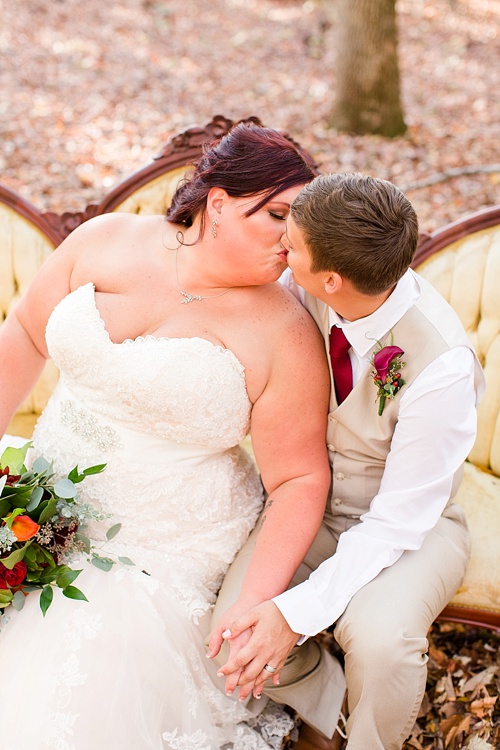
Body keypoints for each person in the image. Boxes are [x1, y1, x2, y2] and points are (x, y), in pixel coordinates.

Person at [0, 123, 346, 750]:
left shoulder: (284, 330)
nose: (292, 240)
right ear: (217, 204)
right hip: (36, 504)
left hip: (162, 547)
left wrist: (260, 601)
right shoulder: (107, 240)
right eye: (276, 216)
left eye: (301, 224)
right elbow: (24, 332)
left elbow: (299, 479)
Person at [209, 173, 485, 750]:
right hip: (304, 503)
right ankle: (329, 708)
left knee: (382, 641)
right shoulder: (314, 282)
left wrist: (295, 614)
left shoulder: (442, 367)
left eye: (294, 245)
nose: (283, 247)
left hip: (409, 527)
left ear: (330, 279)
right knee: (232, 631)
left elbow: (398, 521)